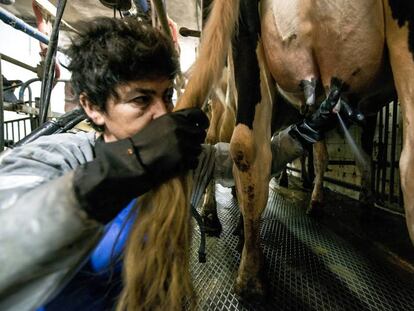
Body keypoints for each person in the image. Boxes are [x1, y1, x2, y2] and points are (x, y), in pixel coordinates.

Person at [0, 16, 358, 311]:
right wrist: (127, 165)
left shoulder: (183, 163)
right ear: (93, 107)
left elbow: (246, 163)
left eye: (167, 95)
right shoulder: (58, 156)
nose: (163, 113)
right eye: (141, 99)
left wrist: (309, 131)